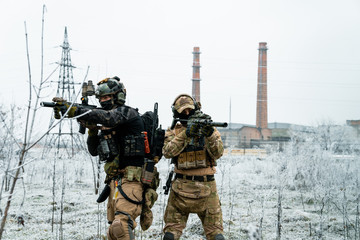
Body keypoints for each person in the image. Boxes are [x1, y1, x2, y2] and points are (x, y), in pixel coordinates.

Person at [53, 76, 157, 240]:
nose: (103, 100)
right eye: (101, 98)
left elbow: (109, 117)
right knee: (113, 232)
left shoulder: (127, 113)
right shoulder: (106, 121)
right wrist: (92, 131)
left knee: (121, 226)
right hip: (114, 182)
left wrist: (78, 111)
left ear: (118, 96)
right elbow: (94, 151)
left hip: (132, 179)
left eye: (107, 97)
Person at [162, 94, 225, 240]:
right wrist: (187, 133)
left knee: (216, 234)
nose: (187, 114)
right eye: (183, 111)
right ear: (176, 113)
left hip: (206, 185)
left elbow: (218, 153)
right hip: (181, 186)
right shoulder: (174, 131)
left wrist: (209, 134)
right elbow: (167, 152)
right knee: (170, 234)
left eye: (189, 110)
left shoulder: (209, 128)